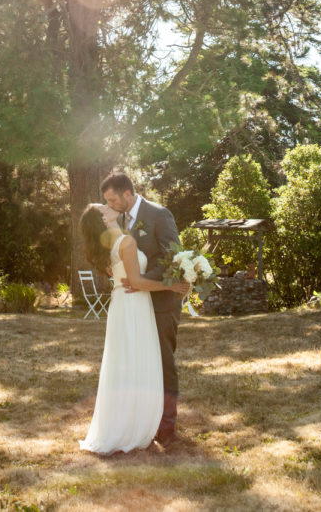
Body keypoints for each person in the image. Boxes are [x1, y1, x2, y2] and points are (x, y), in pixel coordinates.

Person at [78, 203, 188, 455]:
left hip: (123, 305)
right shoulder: (125, 243)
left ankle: (125, 422)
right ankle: (133, 425)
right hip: (133, 304)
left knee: (126, 362)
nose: (108, 205)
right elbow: (137, 282)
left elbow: (125, 278)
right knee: (136, 361)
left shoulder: (111, 246)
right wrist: (172, 286)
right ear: (104, 220)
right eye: (103, 207)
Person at [100, 172, 183, 446]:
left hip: (161, 303)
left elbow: (173, 258)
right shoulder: (121, 220)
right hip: (136, 305)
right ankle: (144, 422)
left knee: (163, 362)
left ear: (127, 193)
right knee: (141, 364)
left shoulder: (159, 214)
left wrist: (143, 280)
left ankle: (167, 426)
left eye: (113, 199)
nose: (110, 205)